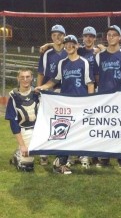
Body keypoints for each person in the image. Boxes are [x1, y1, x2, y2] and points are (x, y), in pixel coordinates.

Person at [36, 35, 95, 174]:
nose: (69, 46)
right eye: (67, 44)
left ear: (76, 46)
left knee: (80, 131)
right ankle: (60, 161)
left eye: (72, 44)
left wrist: (91, 101)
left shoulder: (84, 62)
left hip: (80, 103)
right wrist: (43, 87)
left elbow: (90, 83)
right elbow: (54, 81)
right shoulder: (62, 63)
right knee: (64, 131)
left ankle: (80, 156)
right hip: (66, 103)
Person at [95, 25, 121, 168]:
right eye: (109, 34)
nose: (111, 37)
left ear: (119, 37)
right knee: (104, 127)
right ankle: (104, 156)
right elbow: (97, 76)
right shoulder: (99, 55)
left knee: (120, 127)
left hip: (119, 97)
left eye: (114, 34)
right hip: (104, 96)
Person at [37, 24, 67, 166]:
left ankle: (61, 151)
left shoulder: (70, 49)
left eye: (60, 34)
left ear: (64, 35)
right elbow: (41, 73)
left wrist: (49, 44)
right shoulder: (47, 53)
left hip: (64, 91)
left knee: (62, 121)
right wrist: (39, 89)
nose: (57, 37)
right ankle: (44, 152)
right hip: (49, 91)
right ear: (51, 37)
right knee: (46, 120)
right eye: (54, 35)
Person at [5, 69, 39, 172]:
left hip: (39, 130)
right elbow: (13, 122)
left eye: (28, 77)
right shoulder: (13, 96)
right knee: (27, 167)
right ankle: (19, 153)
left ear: (32, 78)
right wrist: (22, 145)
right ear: (18, 79)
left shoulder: (38, 94)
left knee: (46, 153)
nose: (25, 79)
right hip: (25, 130)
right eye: (22, 77)